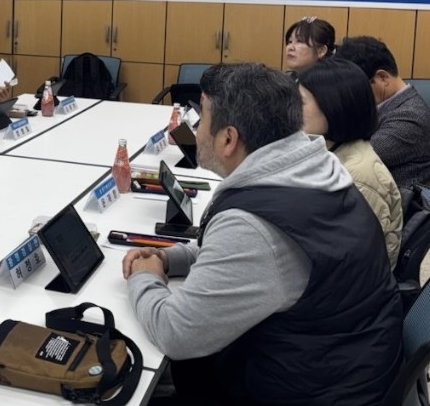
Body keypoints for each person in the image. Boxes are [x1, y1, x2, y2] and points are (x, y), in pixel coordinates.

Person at [122, 63, 402, 405]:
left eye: (202, 119)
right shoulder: (316, 170)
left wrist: (144, 276)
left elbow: (175, 333)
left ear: (228, 139)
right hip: (348, 365)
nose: (196, 131)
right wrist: (170, 258)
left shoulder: (253, 225)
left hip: (313, 391)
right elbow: (254, 260)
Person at [297, 57, 402, 267]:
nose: (293, 110)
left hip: (352, 283)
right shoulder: (333, 152)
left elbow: (357, 260)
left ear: (333, 107)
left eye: (301, 102)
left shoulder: (358, 176)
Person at [336, 36, 430, 188]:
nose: (351, 94)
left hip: (394, 198)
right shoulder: (381, 105)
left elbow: (354, 161)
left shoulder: (410, 117)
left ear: (382, 78)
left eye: (356, 88)